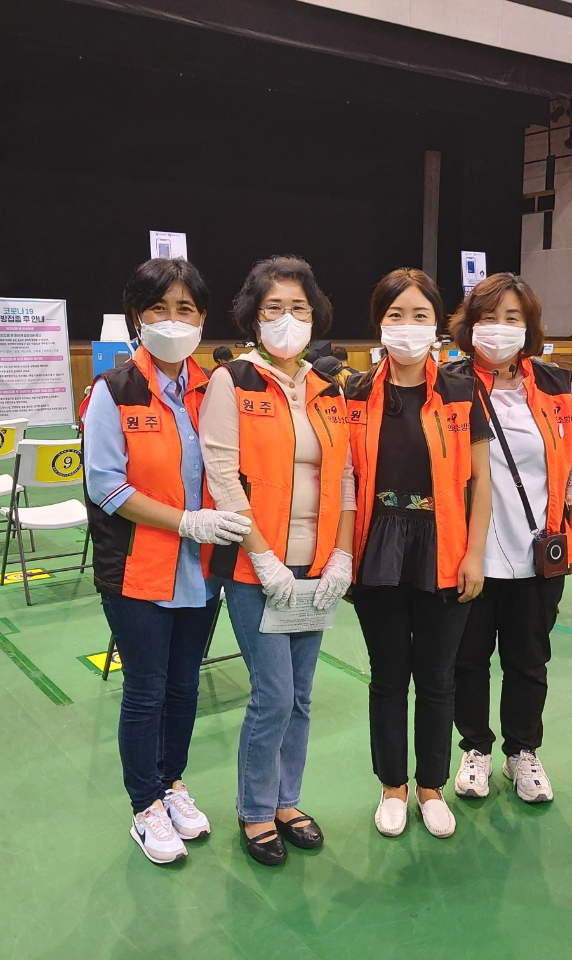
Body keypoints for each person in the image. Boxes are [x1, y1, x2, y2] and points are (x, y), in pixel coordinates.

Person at [84, 258, 253, 866]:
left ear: (203, 318)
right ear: (138, 316)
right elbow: (106, 487)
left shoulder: (216, 391)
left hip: (201, 571)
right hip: (137, 572)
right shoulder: (113, 391)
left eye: (185, 308)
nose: (173, 320)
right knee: (146, 690)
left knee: (184, 687)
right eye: (159, 307)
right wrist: (184, 521)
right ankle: (144, 806)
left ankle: (172, 782)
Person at [199, 255, 357, 866]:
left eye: (298, 307)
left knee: (303, 696)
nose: (287, 318)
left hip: (316, 568)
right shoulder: (233, 381)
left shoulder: (327, 388)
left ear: (315, 315)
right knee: (273, 695)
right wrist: (263, 558)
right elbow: (222, 475)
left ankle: (288, 802)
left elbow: (343, 476)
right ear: (253, 316)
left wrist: (341, 554)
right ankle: (256, 810)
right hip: (256, 569)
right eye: (274, 307)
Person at [345, 267, 492, 840]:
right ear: (379, 323)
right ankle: (393, 787)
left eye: (420, 315)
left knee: (437, 678)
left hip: (445, 550)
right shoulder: (354, 393)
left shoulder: (462, 390)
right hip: (377, 552)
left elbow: (481, 481)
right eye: (396, 315)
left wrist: (474, 554)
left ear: (437, 325)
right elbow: (344, 481)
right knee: (387, 678)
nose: (408, 325)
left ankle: (431, 786)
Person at [445, 273, 572, 806]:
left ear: (529, 326)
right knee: (468, 661)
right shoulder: (449, 384)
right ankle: (476, 749)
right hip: (469, 556)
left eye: (513, 317)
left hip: (537, 553)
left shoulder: (559, 388)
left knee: (528, 662)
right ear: (470, 325)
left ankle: (522, 751)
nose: (500, 328)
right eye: (488, 317)